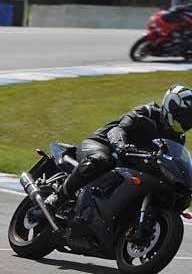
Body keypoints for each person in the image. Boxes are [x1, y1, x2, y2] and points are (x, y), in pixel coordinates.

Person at [49, 84, 192, 206]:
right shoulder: (146, 113)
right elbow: (118, 130)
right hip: (102, 144)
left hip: (130, 164)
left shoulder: (178, 138)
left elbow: (173, 161)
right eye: (186, 116)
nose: (187, 122)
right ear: (172, 107)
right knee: (100, 160)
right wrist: (122, 146)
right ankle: (58, 196)